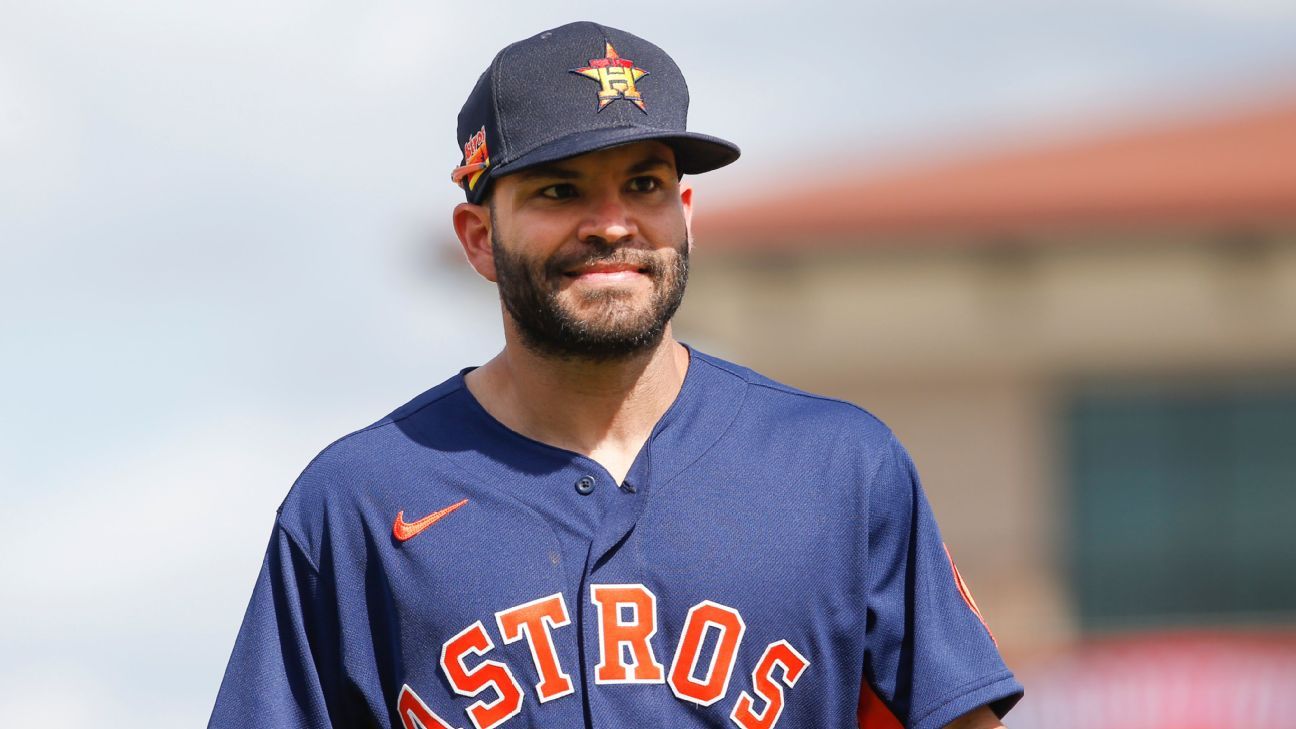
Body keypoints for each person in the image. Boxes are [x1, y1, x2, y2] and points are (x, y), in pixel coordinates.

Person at [210, 21, 1023, 729]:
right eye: (560, 190)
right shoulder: (357, 500)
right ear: (479, 237)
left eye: (645, 184)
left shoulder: (840, 466)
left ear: (686, 214)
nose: (612, 224)